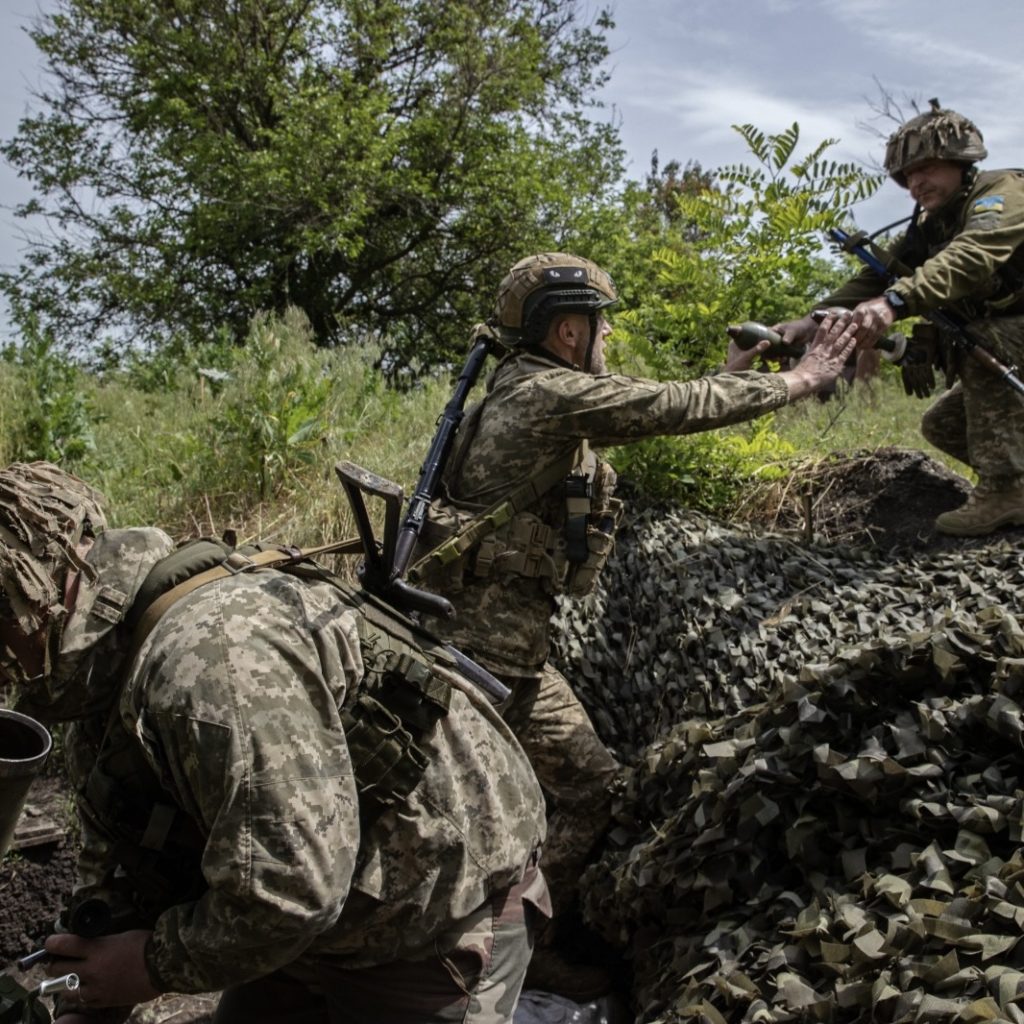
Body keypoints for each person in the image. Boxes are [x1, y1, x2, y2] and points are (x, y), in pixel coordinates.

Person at [406, 252, 859, 995]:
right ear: (568, 331)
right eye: (600, 325)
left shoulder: (538, 389)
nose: (607, 337)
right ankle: (450, 960)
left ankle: (528, 944)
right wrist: (798, 380)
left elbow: (646, 400)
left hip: (509, 654)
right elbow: (669, 409)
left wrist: (734, 368)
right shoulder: (546, 395)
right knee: (464, 812)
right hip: (476, 660)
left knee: (589, 788)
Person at [0, 461, 549, 1024]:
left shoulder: (208, 667)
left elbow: (292, 892)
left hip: (434, 912)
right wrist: (89, 985)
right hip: (310, 907)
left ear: (33, 589)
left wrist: (148, 965)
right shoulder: (98, 663)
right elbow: (118, 847)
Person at [775, 99, 1024, 538]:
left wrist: (895, 303)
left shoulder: (1002, 193)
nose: (915, 184)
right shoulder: (930, 227)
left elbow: (970, 259)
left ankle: (1006, 490)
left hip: (1007, 338)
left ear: (960, 162)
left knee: (984, 338)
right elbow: (874, 278)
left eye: (926, 168)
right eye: (908, 176)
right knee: (943, 425)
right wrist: (808, 321)